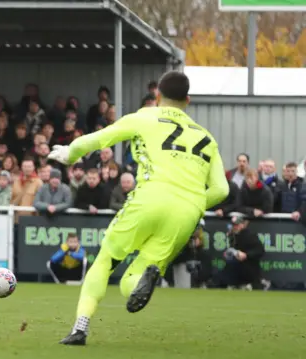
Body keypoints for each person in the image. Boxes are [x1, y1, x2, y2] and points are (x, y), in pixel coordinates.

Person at [48, 71, 229, 345]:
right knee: (134, 277)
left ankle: (80, 328)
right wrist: (193, 201)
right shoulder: (206, 137)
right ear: (188, 100)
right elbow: (222, 189)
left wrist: (69, 153)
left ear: (157, 96)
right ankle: (146, 278)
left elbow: (98, 139)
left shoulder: (144, 116)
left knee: (106, 260)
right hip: (187, 211)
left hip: (150, 196)